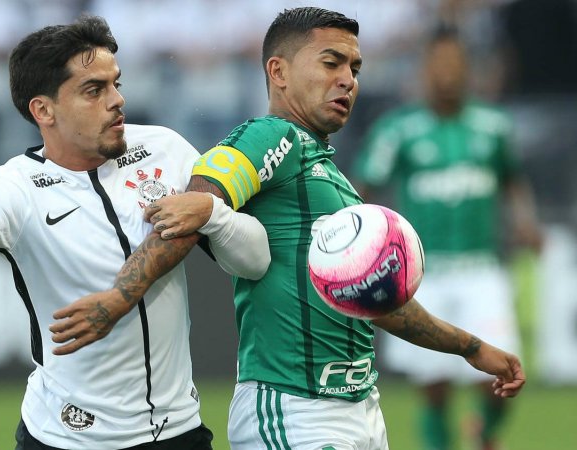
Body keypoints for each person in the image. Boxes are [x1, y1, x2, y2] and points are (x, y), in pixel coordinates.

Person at [51, 7, 526, 450]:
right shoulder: (271, 135)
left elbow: (375, 303)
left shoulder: (331, 176)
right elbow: (195, 207)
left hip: (359, 407)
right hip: (295, 409)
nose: (347, 80)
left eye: (355, 69)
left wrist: (469, 347)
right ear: (278, 72)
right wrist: (119, 298)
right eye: (331, 63)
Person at [0, 15, 272, 450]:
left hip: (177, 432)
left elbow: (254, 261)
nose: (117, 100)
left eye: (116, 83)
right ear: (43, 110)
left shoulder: (166, 150)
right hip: (63, 437)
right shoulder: (16, 188)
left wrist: (210, 212)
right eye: (93, 90)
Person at [353, 27, 542, 450]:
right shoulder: (398, 130)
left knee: (503, 373)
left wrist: (524, 222)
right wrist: (355, 240)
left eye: (455, 63)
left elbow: (513, 179)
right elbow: (362, 187)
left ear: (467, 68)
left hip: (482, 269)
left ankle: (485, 432)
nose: (447, 73)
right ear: (424, 69)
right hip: (424, 275)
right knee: (434, 385)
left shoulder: (493, 126)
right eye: (439, 64)